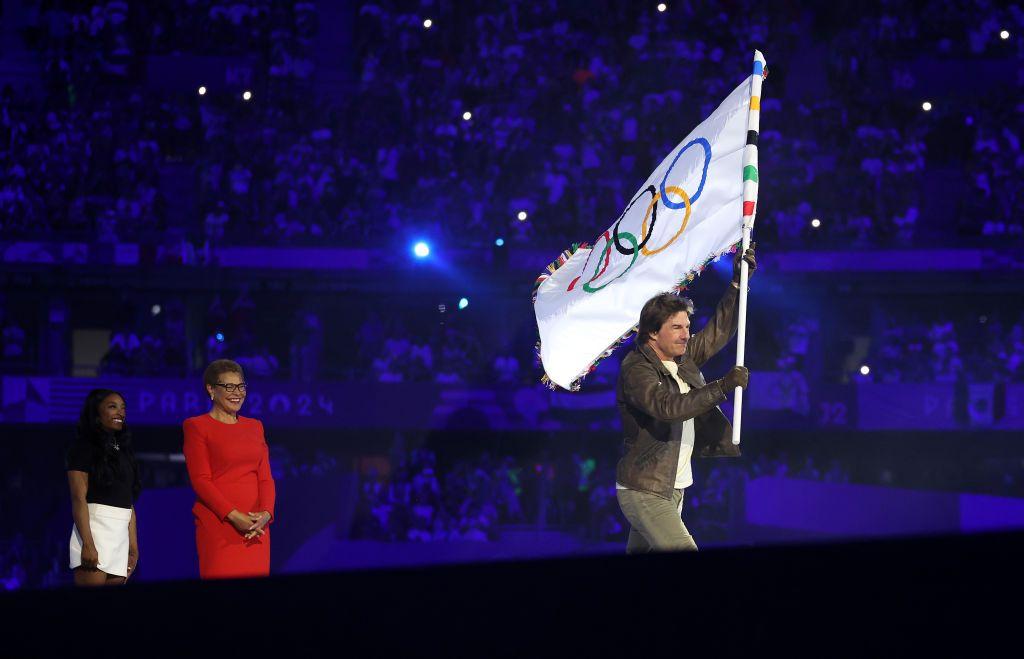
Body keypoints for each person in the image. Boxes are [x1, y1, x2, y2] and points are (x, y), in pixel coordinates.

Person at [615, 245, 757, 553]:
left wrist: (737, 284)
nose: (685, 334)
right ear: (653, 333)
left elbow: (717, 332)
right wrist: (721, 387)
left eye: (687, 327)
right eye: (676, 327)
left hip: (673, 488)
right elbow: (667, 408)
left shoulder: (682, 358)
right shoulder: (636, 368)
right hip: (645, 490)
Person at [183, 359, 276, 578]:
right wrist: (235, 517)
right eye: (229, 386)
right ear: (211, 389)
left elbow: (265, 478)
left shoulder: (255, 426)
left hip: (257, 529)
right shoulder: (196, 426)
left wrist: (266, 513)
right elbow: (200, 480)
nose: (237, 393)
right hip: (220, 526)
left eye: (241, 386)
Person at [67, 389, 141, 586]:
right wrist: (88, 544)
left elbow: (128, 502)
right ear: (96, 412)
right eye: (112, 407)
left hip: (120, 535)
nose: (120, 413)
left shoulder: (124, 450)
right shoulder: (83, 447)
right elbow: (78, 498)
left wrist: (133, 546)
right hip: (94, 531)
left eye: (123, 408)